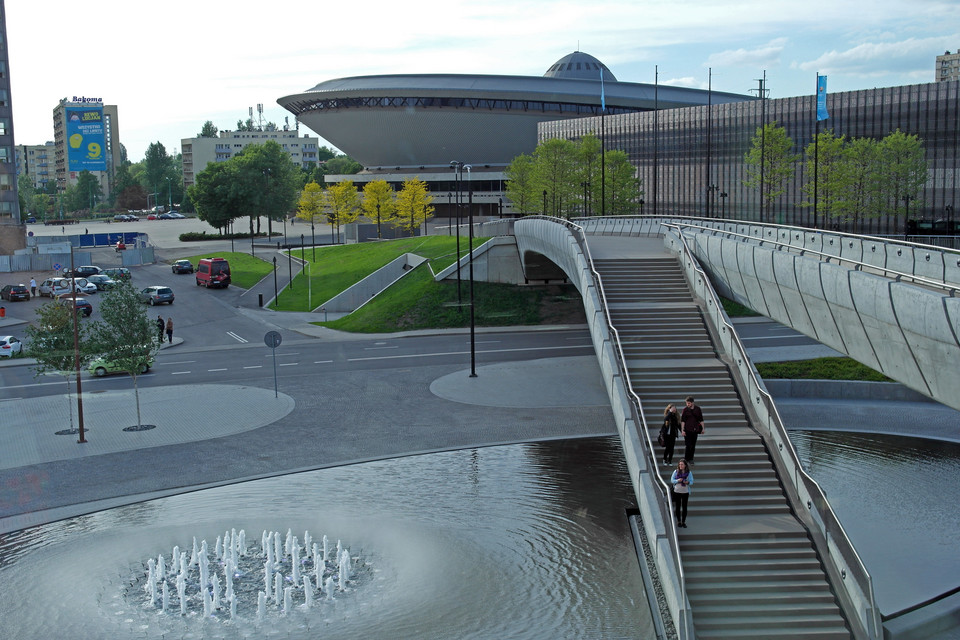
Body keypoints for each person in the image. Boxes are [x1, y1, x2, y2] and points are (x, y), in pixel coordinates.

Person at [680, 396, 704, 462]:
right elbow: (683, 421)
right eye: (687, 403)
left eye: (689, 403)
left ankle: (691, 458)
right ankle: (686, 458)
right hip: (687, 429)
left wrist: (703, 429)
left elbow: (701, 419)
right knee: (688, 445)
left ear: (692, 403)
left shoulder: (698, 409)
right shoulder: (685, 410)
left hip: (695, 430)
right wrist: (682, 430)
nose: (688, 404)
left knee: (693, 445)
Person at [671, 459, 693, 528]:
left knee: (684, 507)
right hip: (677, 491)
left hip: (685, 492)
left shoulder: (689, 473)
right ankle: (678, 521)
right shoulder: (676, 471)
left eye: (682, 464)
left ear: (685, 465)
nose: (680, 466)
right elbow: (672, 480)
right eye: (680, 464)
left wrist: (687, 482)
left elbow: (692, 481)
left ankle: (683, 521)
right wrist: (678, 480)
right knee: (678, 506)